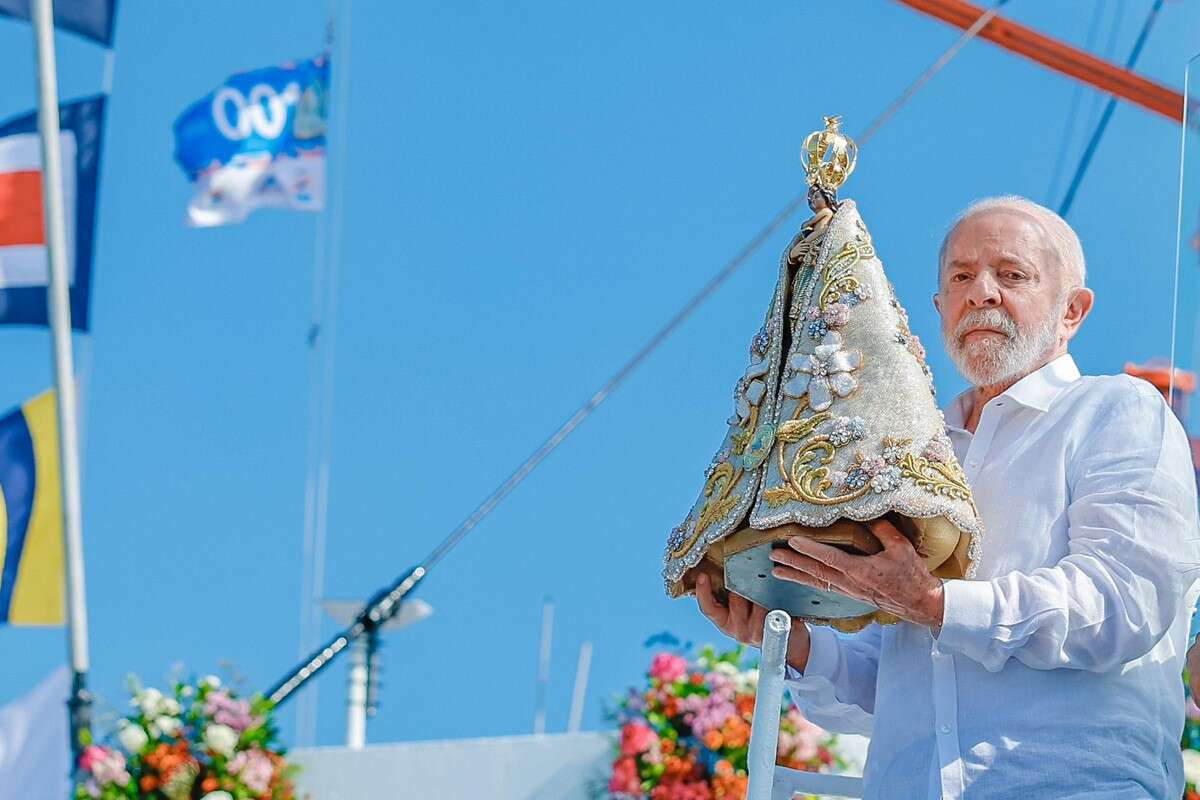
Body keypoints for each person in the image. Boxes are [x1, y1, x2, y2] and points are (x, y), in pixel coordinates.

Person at [695, 195, 1200, 799]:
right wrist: (792, 641)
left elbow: (1124, 602)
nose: (981, 292)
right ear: (939, 308)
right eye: (961, 277)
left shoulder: (1118, 410)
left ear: (1073, 310)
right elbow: (896, 677)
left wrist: (936, 603)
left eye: (1011, 275)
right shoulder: (913, 453)